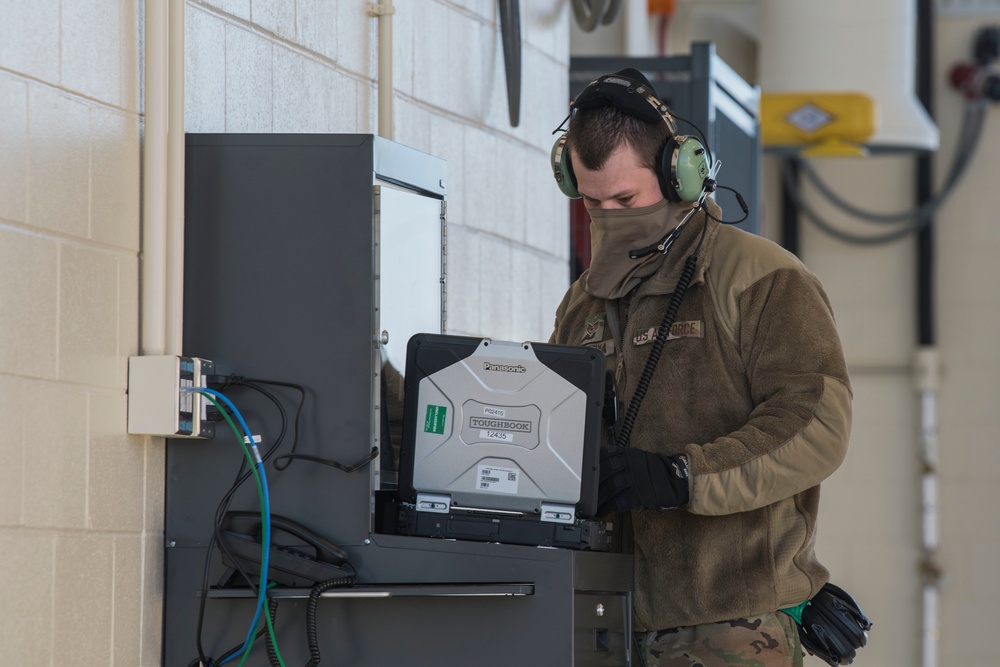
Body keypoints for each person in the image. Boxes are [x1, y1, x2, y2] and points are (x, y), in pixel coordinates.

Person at [548, 69, 852, 666]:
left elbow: (815, 425)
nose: (608, 216)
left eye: (626, 199)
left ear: (680, 174)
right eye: (591, 201)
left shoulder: (762, 279)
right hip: (601, 619)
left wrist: (684, 476)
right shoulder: (583, 301)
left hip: (731, 625)